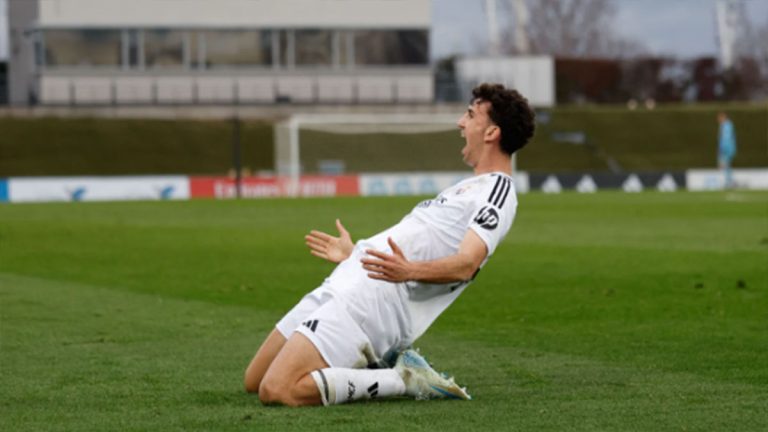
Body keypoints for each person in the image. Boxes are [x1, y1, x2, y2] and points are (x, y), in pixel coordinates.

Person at [243, 83, 536, 407]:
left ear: (492, 132)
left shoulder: (498, 192)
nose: (460, 122)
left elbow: (467, 263)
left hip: (372, 303)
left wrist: (408, 270)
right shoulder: (466, 187)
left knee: (278, 389)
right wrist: (354, 255)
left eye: (469, 114)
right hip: (350, 279)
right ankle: (379, 366)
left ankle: (401, 379)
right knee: (254, 380)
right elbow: (425, 243)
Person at [717, 112, 737, 188]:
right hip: (728, 148)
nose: (718, 120)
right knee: (727, 166)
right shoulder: (727, 125)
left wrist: (722, 150)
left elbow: (726, 138)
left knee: (725, 165)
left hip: (727, 148)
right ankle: (729, 181)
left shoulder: (726, 125)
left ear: (723, 117)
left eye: (719, 118)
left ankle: (729, 182)